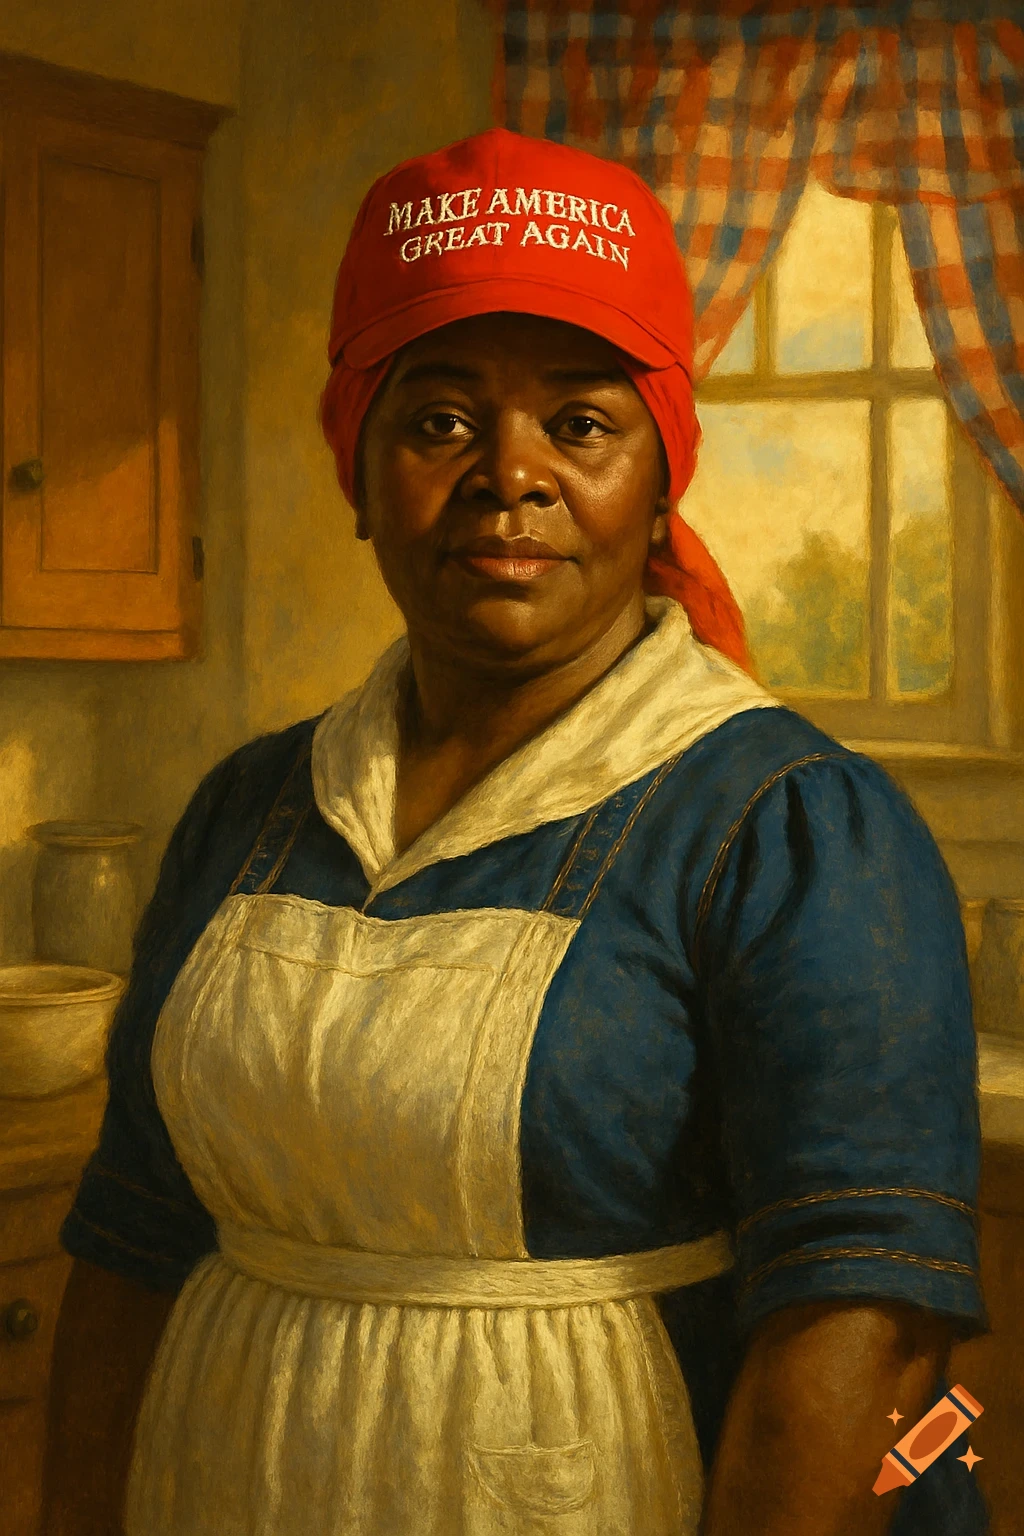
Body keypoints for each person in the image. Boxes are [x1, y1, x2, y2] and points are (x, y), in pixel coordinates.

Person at [45, 129, 986, 1536]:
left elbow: (866, 1320)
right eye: (438, 420)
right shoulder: (249, 810)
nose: (509, 475)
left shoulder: (792, 829)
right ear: (354, 471)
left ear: (661, 477)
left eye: (581, 423)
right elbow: (128, 1242)